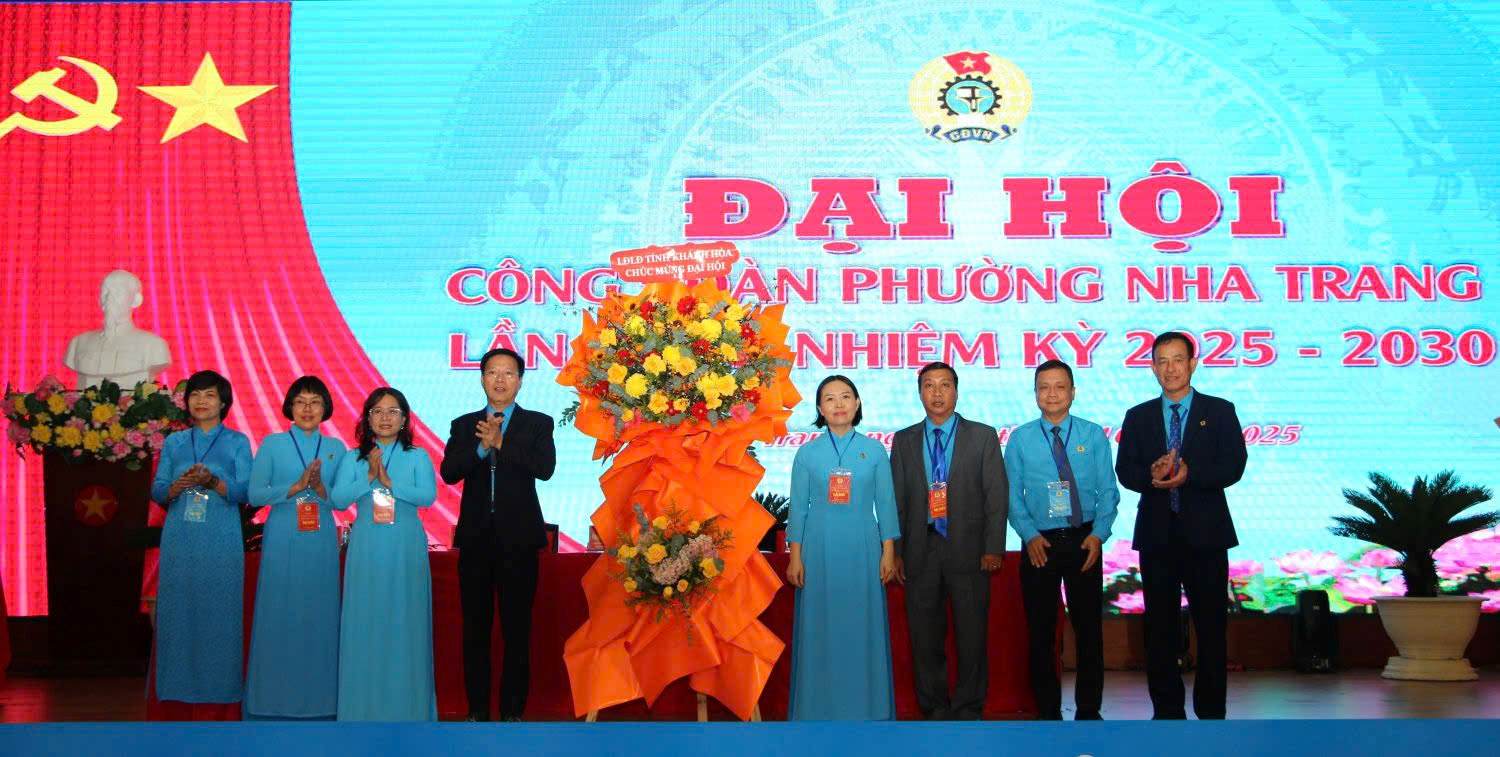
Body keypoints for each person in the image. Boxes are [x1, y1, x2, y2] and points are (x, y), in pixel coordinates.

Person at [1116, 332, 1247, 720]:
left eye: (1178, 360)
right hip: (1158, 536)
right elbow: (1126, 470)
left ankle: (1210, 712)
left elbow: (1233, 465)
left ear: (1192, 364)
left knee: (1211, 628)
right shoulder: (1138, 416)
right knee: (1159, 629)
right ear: (1153, 366)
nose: (1170, 368)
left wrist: (1191, 474)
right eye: (1162, 361)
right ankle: (1167, 712)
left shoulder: (1220, 410)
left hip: (1207, 536)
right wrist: (1151, 475)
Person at [440, 347, 556, 722]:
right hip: (475, 540)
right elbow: (449, 472)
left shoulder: (538, 423)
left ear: (520, 380)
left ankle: (512, 712)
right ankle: (477, 711)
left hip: (518, 541)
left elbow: (545, 468)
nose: (501, 380)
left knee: (516, 629)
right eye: (493, 372)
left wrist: (502, 443)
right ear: (482, 378)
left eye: (508, 373)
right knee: (475, 628)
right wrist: (480, 447)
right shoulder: (463, 424)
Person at [889, 361, 1008, 720]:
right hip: (920, 549)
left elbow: (997, 495)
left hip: (970, 551)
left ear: (956, 391)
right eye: (929, 385)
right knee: (925, 638)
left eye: (944, 385)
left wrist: (993, 548)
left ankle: (969, 706)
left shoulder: (982, 435)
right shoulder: (905, 439)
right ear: (919, 392)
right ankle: (934, 707)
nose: (937, 393)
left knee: (972, 636)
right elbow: (896, 499)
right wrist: (894, 551)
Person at [1005, 359, 1119, 720]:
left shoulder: (1092, 435)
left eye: (1059, 386)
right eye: (1044, 387)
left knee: (1089, 630)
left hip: (1085, 542)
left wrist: (1099, 535)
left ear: (1073, 392)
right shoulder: (1021, 438)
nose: (1052, 393)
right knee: (1041, 632)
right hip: (1040, 543)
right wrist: (1029, 535)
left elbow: (1108, 492)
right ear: (1035, 393)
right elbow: (1011, 494)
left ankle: (1088, 707)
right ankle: (1047, 710)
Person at [786, 375, 900, 720]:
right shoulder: (807, 454)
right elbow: (797, 509)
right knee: (819, 629)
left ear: (857, 403)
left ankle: (870, 708)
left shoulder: (875, 450)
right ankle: (815, 709)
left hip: (864, 550)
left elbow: (887, 504)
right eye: (830, 399)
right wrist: (795, 557)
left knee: (861, 628)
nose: (839, 404)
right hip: (818, 552)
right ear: (820, 408)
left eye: (846, 397)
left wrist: (889, 552)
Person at [331, 387, 438, 721]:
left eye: (393, 411)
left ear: (404, 419)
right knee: (366, 620)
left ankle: (408, 707)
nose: (385, 418)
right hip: (367, 546)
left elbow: (427, 497)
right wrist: (369, 477)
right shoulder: (354, 457)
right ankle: (362, 708)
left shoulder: (417, 455)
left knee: (406, 621)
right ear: (367, 418)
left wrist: (389, 483)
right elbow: (337, 500)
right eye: (377, 411)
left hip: (406, 545)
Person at [244, 376, 346, 719]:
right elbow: (256, 495)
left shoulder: (336, 448)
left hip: (320, 538)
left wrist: (318, 488)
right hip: (283, 534)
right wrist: (296, 485)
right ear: (289, 405)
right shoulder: (272, 444)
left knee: (319, 614)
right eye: (300, 401)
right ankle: (270, 701)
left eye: (315, 402)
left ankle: (320, 702)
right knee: (279, 611)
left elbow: (340, 502)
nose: (307, 408)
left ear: (325, 409)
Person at [149, 369, 252, 706]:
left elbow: (245, 490)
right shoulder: (175, 441)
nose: (202, 401)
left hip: (221, 535)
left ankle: (220, 688)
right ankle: (176, 685)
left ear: (223, 402)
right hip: (180, 535)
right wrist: (175, 487)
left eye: (209, 395)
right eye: (195, 395)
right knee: (179, 609)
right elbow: (158, 489)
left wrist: (213, 483)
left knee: (220, 609)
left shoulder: (236, 441)